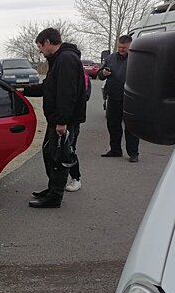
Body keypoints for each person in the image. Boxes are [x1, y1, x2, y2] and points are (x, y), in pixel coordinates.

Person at [23, 28, 86, 208]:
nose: (40, 50)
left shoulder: (66, 59)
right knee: (50, 154)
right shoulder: (58, 60)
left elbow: (67, 93)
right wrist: (24, 90)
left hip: (63, 120)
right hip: (57, 118)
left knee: (58, 157)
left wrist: (62, 121)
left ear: (48, 42)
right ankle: (52, 190)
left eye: (40, 46)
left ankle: (54, 197)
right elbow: (49, 87)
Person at [98, 35, 139, 162]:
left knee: (131, 126)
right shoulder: (110, 58)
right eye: (119, 47)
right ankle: (115, 150)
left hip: (131, 98)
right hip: (113, 96)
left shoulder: (137, 58)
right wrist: (103, 73)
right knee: (113, 124)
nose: (121, 49)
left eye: (124, 47)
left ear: (130, 46)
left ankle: (133, 153)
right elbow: (100, 75)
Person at [65, 71, 92, 192]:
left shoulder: (81, 74)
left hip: (72, 118)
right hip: (60, 117)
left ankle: (76, 178)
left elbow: (84, 96)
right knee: (58, 150)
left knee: (69, 149)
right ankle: (58, 181)